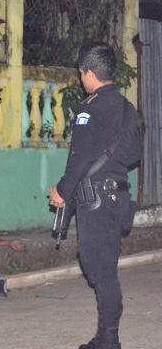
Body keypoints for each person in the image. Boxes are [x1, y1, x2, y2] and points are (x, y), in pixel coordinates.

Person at [49, 43, 141, 349]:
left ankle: (110, 338)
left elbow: (80, 156)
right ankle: (105, 335)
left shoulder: (91, 107)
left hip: (97, 199)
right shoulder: (129, 109)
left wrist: (63, 190)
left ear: (88, 72)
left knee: (96, 267)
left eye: (81, 73)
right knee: (105, 267)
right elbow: (134, 155)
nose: (80, 78)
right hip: (119, 196)